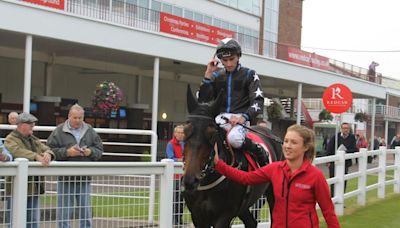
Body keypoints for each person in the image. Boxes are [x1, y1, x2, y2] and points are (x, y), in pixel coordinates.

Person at [214, 124, 340, 228]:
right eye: (286, 141)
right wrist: (218, 164)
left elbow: (328, 212)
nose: (288, 146)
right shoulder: (274, 169)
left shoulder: (316, 176)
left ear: (306, 147)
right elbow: (246, 178)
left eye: (294, 142)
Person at [198, 37, 267, 166]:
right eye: (225, 60)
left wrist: (244, 117)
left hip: (242, 119)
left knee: (234, 139)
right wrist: (208, 75)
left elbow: (258, 101)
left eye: (232, 59)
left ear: (238, 56)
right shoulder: (216, 76)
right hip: (220, 119)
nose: (229, 64)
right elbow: (203, 100)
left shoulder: (249, 74)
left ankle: (260, 151)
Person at [47, 104, 103, 228]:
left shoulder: (90, 130)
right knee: (64, 212)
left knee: (86, 212)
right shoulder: (59, 131)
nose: (77, 120)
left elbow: (99, 150)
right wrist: (67, 152)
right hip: (65, 177)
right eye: (75, 118)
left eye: (80, 118)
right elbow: (49, 150)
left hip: (84, 177)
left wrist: (90, 152)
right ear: (69, 117)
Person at [4, 112, 55, 228]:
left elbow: (47, 148)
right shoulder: (10, 139)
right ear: (22, 125)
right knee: (14, 219)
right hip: (15, 189)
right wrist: (36, 156)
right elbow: (16, 151)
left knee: (33, 220)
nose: (33, 125)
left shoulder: (33, 139)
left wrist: (48, 154)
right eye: (30, 124)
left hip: (34, 187)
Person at [326, 122, 357, 196]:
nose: (345, 130)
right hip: (334, 162)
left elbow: (354, 149)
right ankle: (333, 198)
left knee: (343, 180)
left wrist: (345, 151)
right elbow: (329, 148)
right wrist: (328, 161)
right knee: (333, 180)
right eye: (344, 128)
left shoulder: (352, 137)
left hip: (345, 162)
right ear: (341, 129)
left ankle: (341, 198)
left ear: (349, 129)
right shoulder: (336, 137)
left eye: (347, 128)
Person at [165, 125, 185, 225]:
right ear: (175, 134)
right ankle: (174, 221)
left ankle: (179, 220)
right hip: (175, 177)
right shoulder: (170, 144)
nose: (181, 135)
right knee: (175, 199)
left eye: (182, 133)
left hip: (183, 176)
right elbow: (170, 158)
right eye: (179, 132)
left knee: (182, 200)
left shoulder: (185, 144)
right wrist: (180, 160)